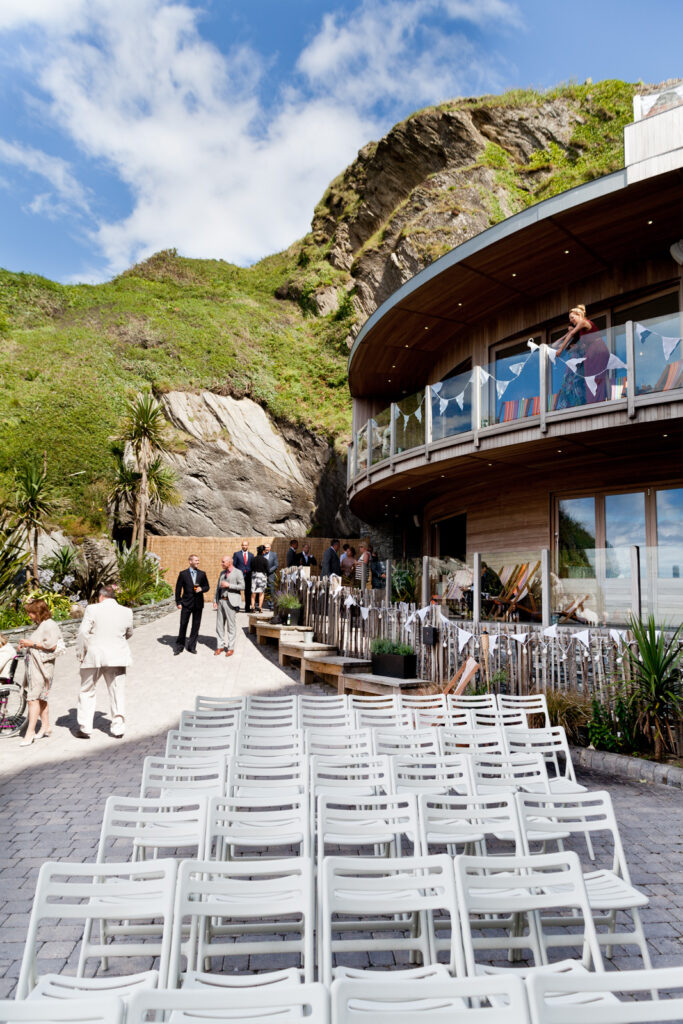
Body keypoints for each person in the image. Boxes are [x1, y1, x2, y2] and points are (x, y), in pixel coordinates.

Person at [76, 585, 132, 739]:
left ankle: (86, 727)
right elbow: (129, 632)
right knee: (117, 691)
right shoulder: (127, 611)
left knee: (87, 690)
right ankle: (118, 728)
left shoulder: (92, 609)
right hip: (117, 655)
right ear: (113, 596)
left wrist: (81, 652)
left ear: (101, 596)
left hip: (94, 655)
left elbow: (82, 632)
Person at [16, 599, 62, 746]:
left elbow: (52, 646)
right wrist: (26, 645)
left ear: (39, 612)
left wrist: (31, 644)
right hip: (35, 667)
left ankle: (30, 732)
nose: (29, 615)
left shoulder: (50, 625)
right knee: (41, 698)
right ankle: (46, 727)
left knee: (33, 698)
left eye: (31, 612)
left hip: (42, 668)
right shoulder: (43, 625)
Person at [553, 304, 609, 408]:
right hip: (591, 352)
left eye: (572, 317)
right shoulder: (582, 329)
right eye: (570, 319)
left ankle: (598, 402)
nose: (571, 320)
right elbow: (567, 337)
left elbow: (572, 334)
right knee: (589, 379)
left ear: (579, 315)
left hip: (598, 350)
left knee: (596, 378)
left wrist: (561, 349)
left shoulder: (584, 322)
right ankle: (592, 402)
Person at [175, 554, 210, 654]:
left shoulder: (202, 574)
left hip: (198, 604)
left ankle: (192, 646)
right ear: (190, 561)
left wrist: (201, 589)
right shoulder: (183, 574)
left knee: (196, 625)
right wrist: (178, 601)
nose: (198, 562)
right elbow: (178, 589)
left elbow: (207, 586)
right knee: (183, 624)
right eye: (196, 560)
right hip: (186, 603)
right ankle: (179, 646)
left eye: (198, 560)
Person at [213, 555, 244, 657]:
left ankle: (230, 648)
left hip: (231, 603)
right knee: (219, 626)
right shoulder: (222, 573)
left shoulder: (238, 572)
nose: (221, 564)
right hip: (221, 601)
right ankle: (220, 646)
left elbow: (242, 586)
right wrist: (215, 601)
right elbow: (218, 588)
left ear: (229, 562)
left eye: (223, 562)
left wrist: (229, 585)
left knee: (231, 626)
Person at [233, 540, 254, 612]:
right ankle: (237, 607)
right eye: (243, 545)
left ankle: (247, 607)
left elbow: (252, 566)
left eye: (246, 545)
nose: (244, 546)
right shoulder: (236, 554)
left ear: (248, 546)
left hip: (248, 576)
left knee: (248, 592)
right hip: (239, 576)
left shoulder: (251, 555)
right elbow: (234, 565)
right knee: (237, 592)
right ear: (241, 546)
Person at [251, 544, 270, 612]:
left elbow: (251, 567)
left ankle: (252, 607)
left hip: (254, 576)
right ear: (263, 551)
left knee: (253, 592)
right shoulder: (265, 560)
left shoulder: (253, 559)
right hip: (262, 576)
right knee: (261, 593)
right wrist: (267, 575)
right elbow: (268, 570)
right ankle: (260, 607)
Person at [264, 542, 279, 608]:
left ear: (270, 548)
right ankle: (267, 603)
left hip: (271, 574)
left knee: (271, 589)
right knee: (265, 590)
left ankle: (272, 604)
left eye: (268, 547)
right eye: (265, 547)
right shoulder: (261, 554)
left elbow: (276, 565)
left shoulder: (274, 554)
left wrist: (269, 571)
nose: (266, 549)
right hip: (263, 574)